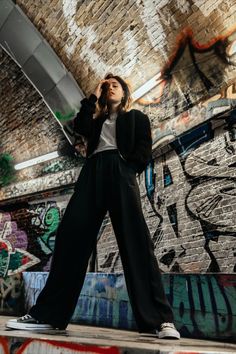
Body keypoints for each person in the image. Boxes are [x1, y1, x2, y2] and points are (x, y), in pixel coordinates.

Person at [6, 74, 180, 339]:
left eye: (116, 85)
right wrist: (92, 97)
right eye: (107, 85)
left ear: (125, 93)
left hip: (120, 171)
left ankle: (160, 321)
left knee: (137, 242)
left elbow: (144, 150)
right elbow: (80, 126)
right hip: (92, 172)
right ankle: (47, 315)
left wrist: (126, 165)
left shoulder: (137, 118)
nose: (111, 87)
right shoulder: (96, 121)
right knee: (70, 237)